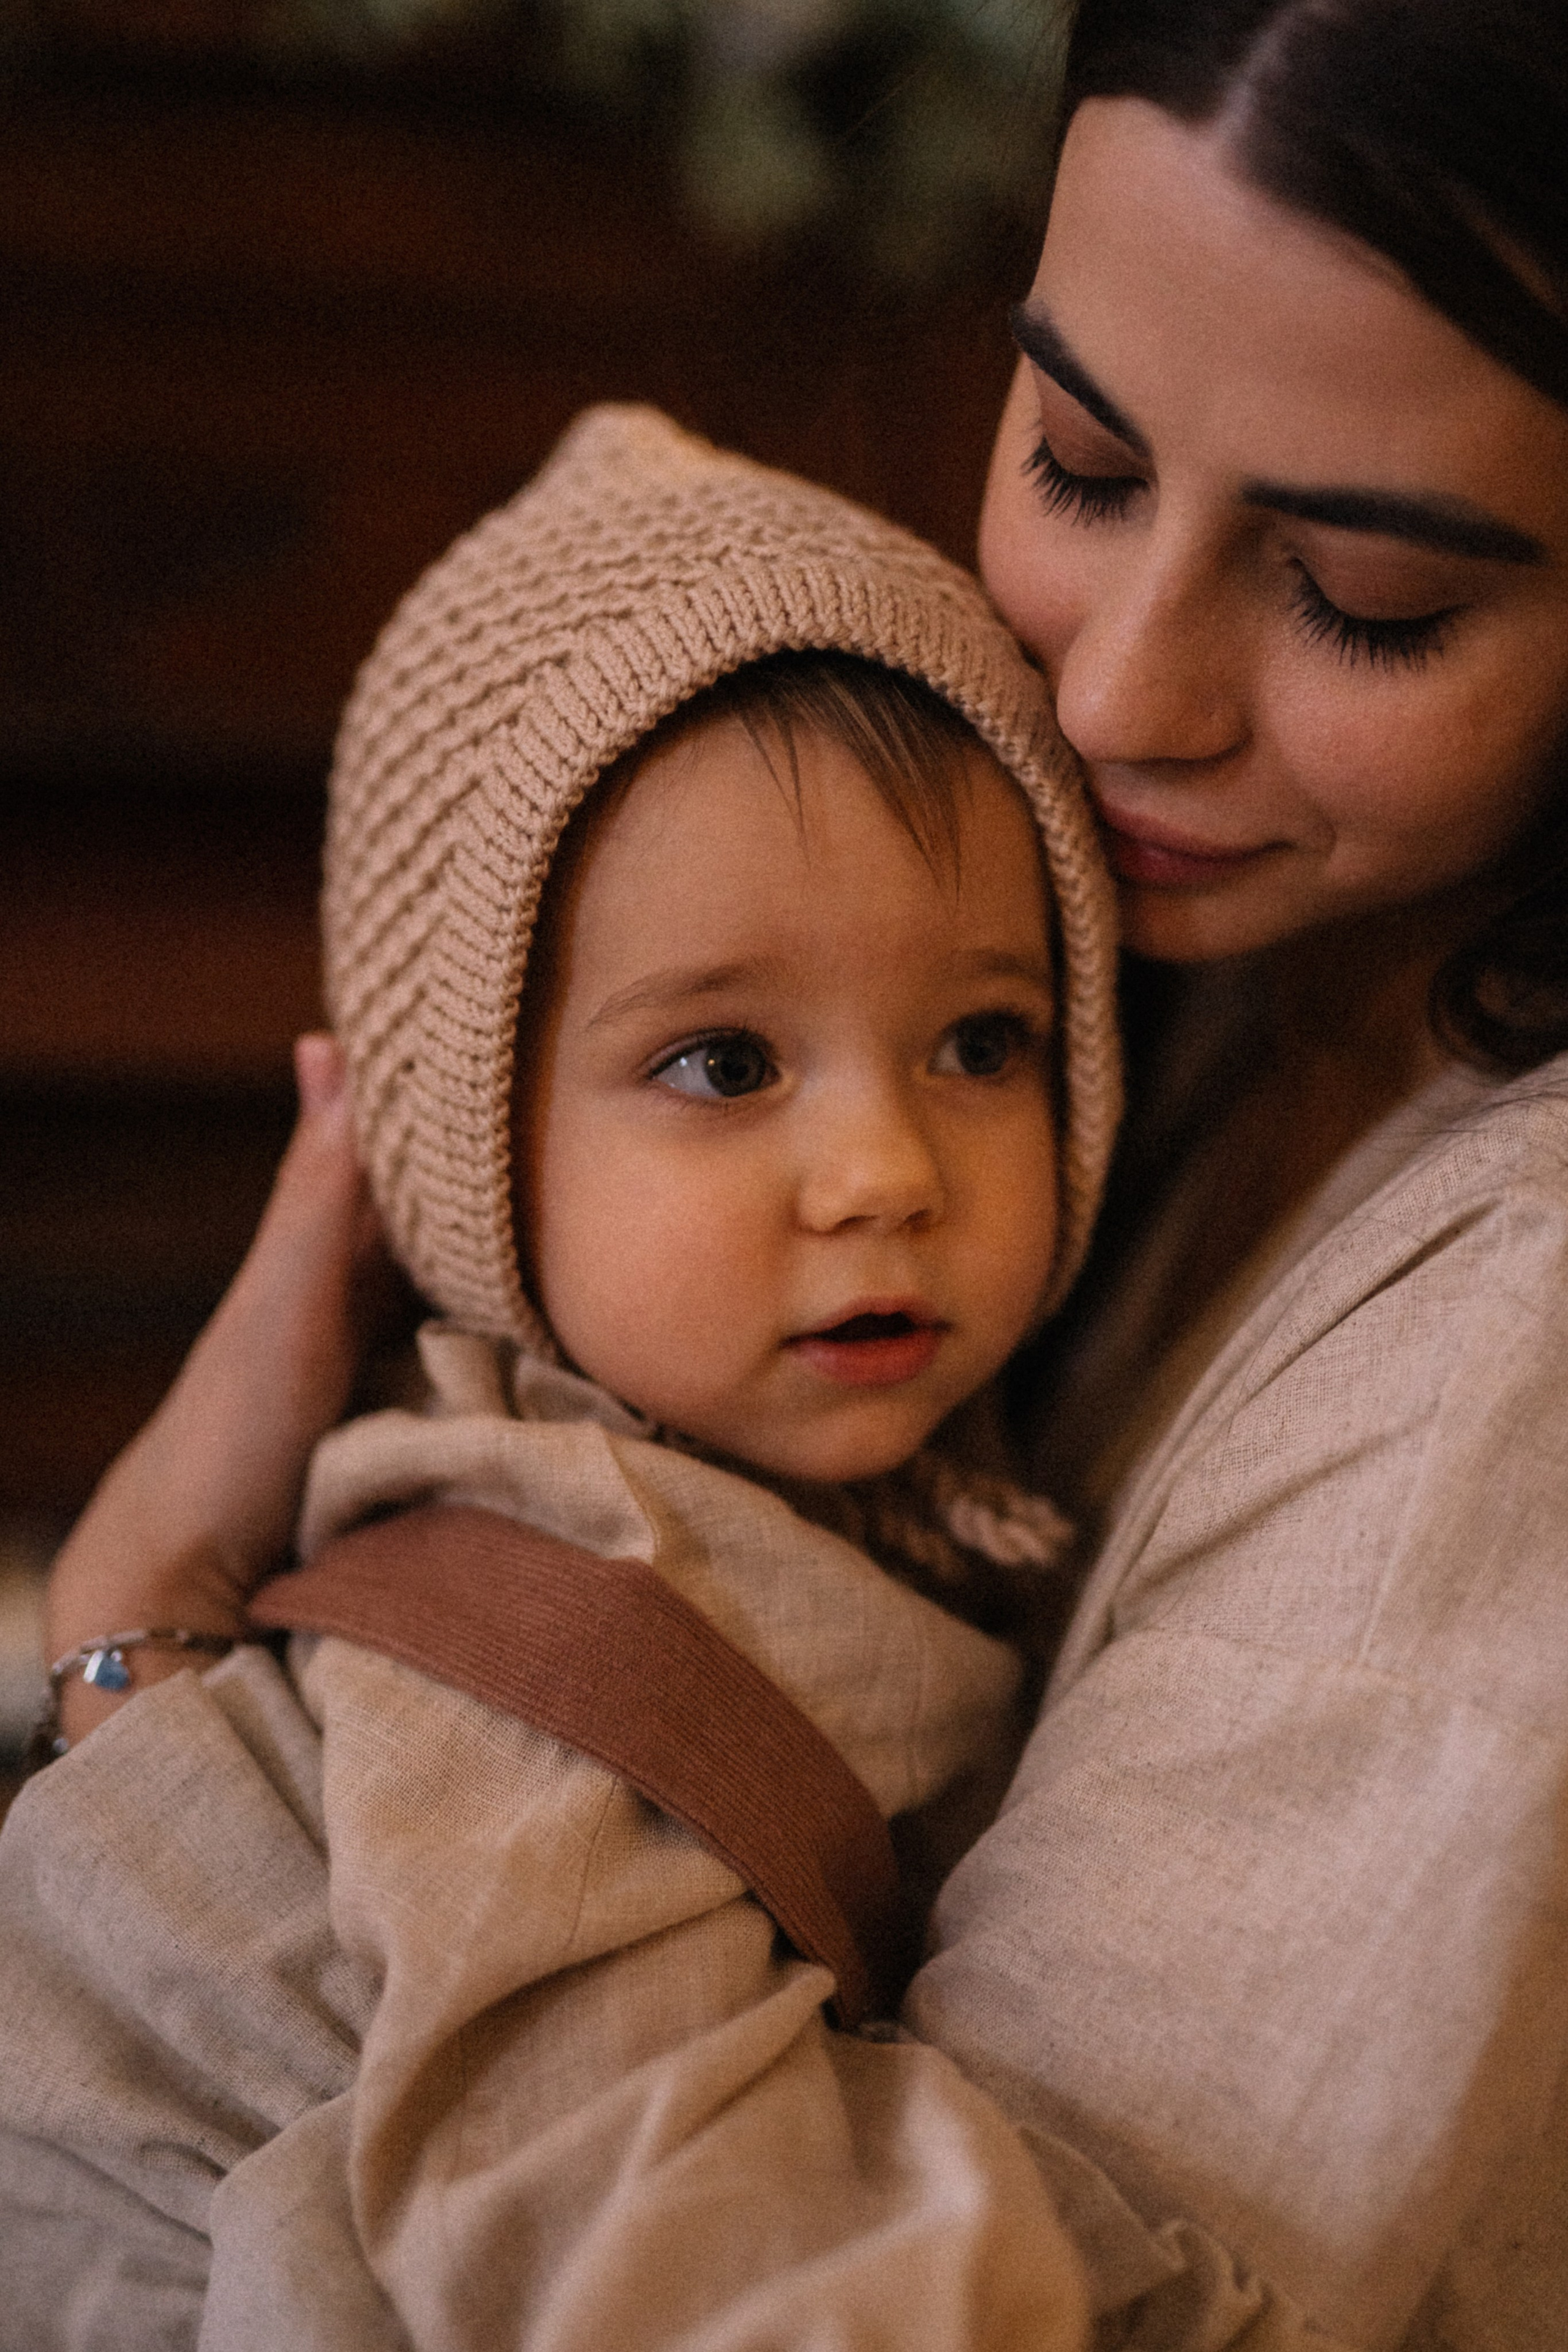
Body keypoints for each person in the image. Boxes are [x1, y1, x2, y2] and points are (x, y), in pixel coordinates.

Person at [13, 0, 1568, 2343]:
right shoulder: (1190, 952)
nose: (1122, 700)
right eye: (1073, 457)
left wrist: (137, 1704)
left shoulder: (1508, 1334)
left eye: (1369, 599)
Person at [0, 403, 1118, 2349]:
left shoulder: (920, 1487)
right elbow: (632, 2218)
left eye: (983, 1040)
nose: (886, 1176)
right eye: (722, 1064)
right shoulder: (561, 1615)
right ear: (468, 1138)